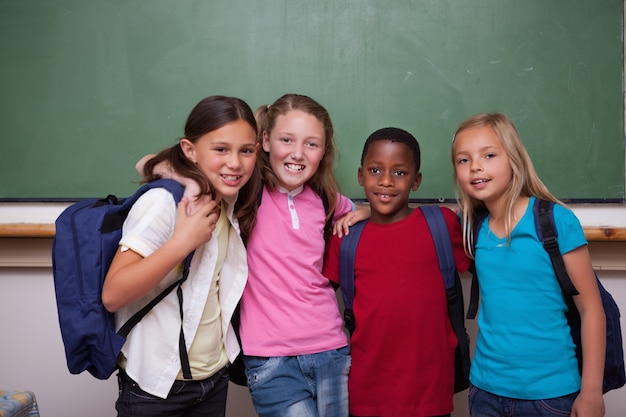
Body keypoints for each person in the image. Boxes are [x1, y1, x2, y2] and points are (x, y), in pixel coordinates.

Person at [138, 93, 368, 417]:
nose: (298, 153)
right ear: (265, 142)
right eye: (287, 140)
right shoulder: (248, 191)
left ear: (325, 151)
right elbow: (148, 164)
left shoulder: (324, 197)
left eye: (312, 144)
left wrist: (365, 211)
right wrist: (188, 184)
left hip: (331, 350)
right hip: (271, 359)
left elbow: (366, 209)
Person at [101, 95, 261, 417]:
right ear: (190, 150)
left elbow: (150, 161)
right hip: (157, 389)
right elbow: (113, 294)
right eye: (220, 149)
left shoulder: (226, 200)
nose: (235, 162)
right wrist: (181, 242)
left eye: (246, 150)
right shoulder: (163, 203)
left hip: (213, 379)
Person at [451, 112, 606, 417]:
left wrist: (591, 392)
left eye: (489, 155)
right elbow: (412, 223)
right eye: (463, 160)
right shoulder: (471, 226)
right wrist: (367, 214)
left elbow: (591, 309)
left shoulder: (554, 221)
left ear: (514, 159)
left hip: (550, 397)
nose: (476, 167)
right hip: (484, 392)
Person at [322, 127, 472, 417]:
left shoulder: (442, 224)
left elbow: (492, 246)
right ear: (360, 176)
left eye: (400, 173)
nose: (387, 181)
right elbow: (313, 302)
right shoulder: (345, 238)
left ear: (416, 181)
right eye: (376, 170)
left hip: (430, 395)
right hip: (365, 396)